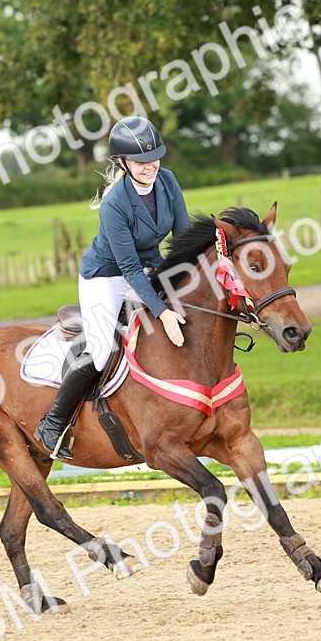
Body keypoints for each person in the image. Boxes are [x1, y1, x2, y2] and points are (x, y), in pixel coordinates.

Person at [34, 115, 193, 459]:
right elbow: (129, 269)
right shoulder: (115, 203)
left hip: (148, 268)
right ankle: (52, 423)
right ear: (123, 162)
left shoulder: (169, 181)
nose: (150, 166)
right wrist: (162, 312)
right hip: (106, 277)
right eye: (140, 161)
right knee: (102, 348)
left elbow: (183, 240)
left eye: (155, 157)